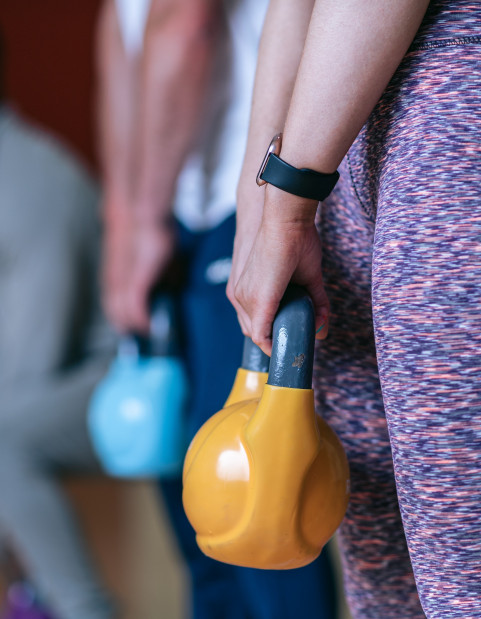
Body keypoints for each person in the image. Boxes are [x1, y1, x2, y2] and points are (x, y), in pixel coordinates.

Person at [228, 0, 481, 617]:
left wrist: (287, 202)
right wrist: (261, 207)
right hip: (336, 119)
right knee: (386, 578)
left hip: (474, 96)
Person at [97, 0, 338, 617]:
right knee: (197, 492)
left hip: (254, 196)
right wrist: (127, 218)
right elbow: (120, 27)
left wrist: (139, 218)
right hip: (175, 205)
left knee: (254, 497)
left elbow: (184, 20)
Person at [0, 36, 117, 619]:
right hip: (35, 387)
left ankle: (78, 608)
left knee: (1, 440)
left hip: (107, 385)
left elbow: (40, 356)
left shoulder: (26, 179)